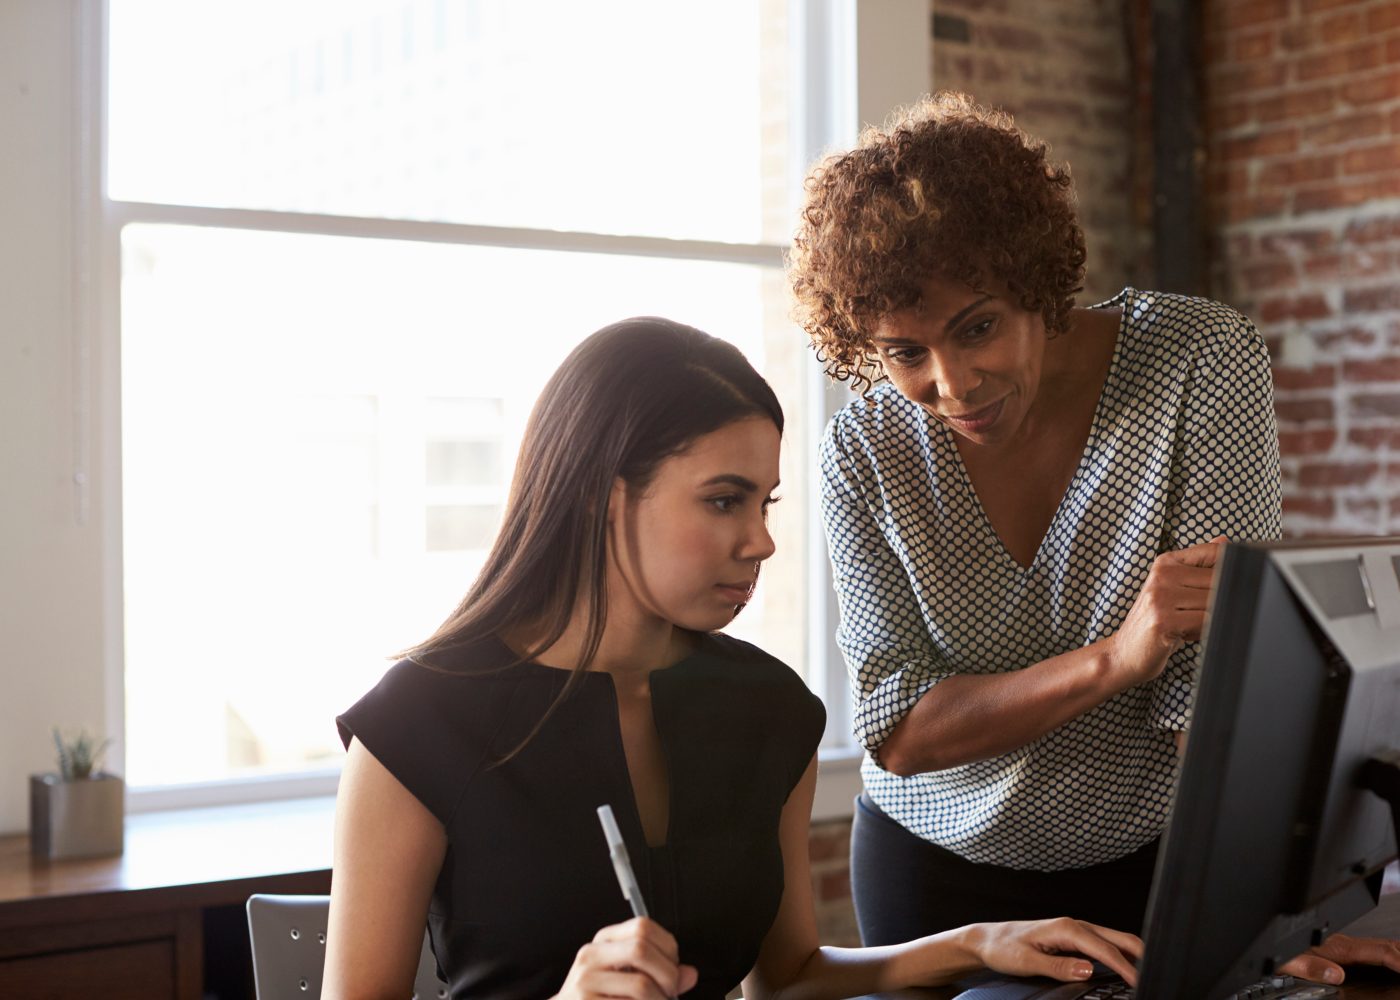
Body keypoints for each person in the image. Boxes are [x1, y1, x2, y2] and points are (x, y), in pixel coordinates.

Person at [323, 317, 1146, 1000]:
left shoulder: (770, 710)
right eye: (723, 500)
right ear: (598, 494)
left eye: (764, 503)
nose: (760, 541)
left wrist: (979, 943)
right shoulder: (416, 728)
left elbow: (786, 978)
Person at [787, 91, 1395, 987]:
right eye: (903, 352)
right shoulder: (862, 449)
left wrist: (1271, 917)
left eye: (978, 326)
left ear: (1036, 279)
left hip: (1154, 868)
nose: (951, 384)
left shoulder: (1197, 361)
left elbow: (1209, 688)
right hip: (934, 878)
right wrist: (1117, 657)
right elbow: (898, 728)